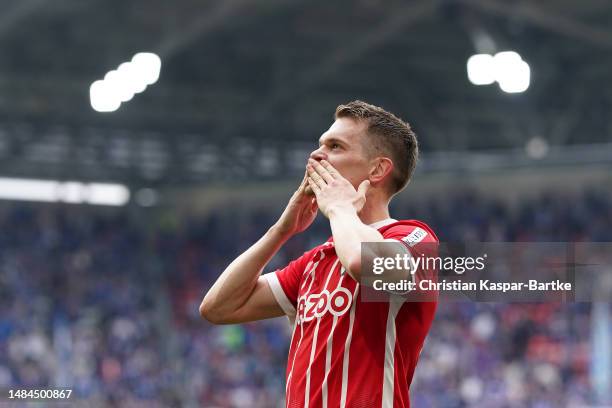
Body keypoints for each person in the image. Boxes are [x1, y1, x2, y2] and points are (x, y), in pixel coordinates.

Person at [200, 100, 438, 408]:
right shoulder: (316, 261)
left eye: (335, 146)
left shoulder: (415, 239)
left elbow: (360, 263)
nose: (316, 155)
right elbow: (218, 308)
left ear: (378, 169)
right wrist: (281, 231)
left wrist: (340, 208)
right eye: (320, 144)